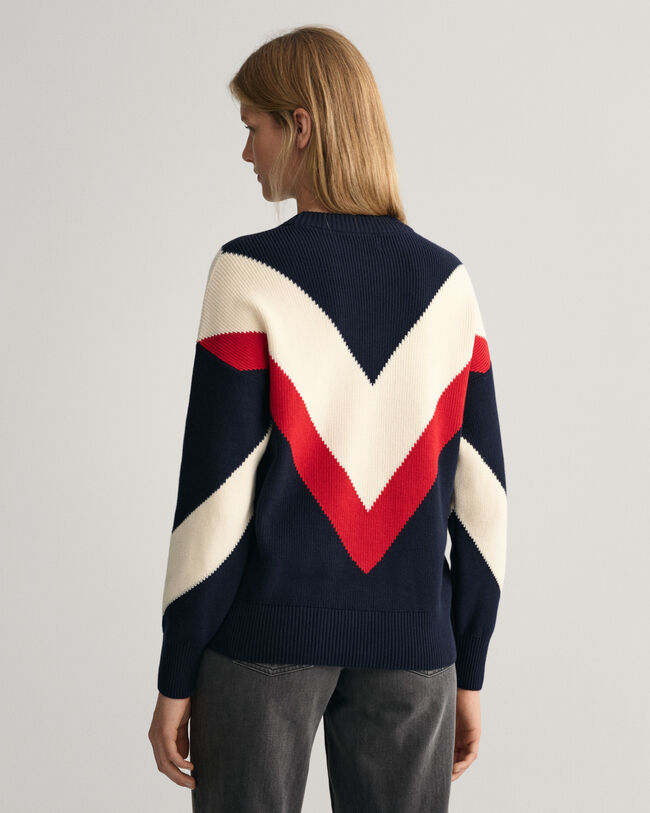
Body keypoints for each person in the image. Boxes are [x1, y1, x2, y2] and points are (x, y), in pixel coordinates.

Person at [148, 24, 507, 813]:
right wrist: (469, 665)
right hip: (415, 646)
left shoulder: (248, 272)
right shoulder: (447, 284)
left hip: (261, 640)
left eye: (254, 127)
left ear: (301, 126)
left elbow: (214, 494)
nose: (247, 152)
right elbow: (483, 498)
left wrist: (177, 671)